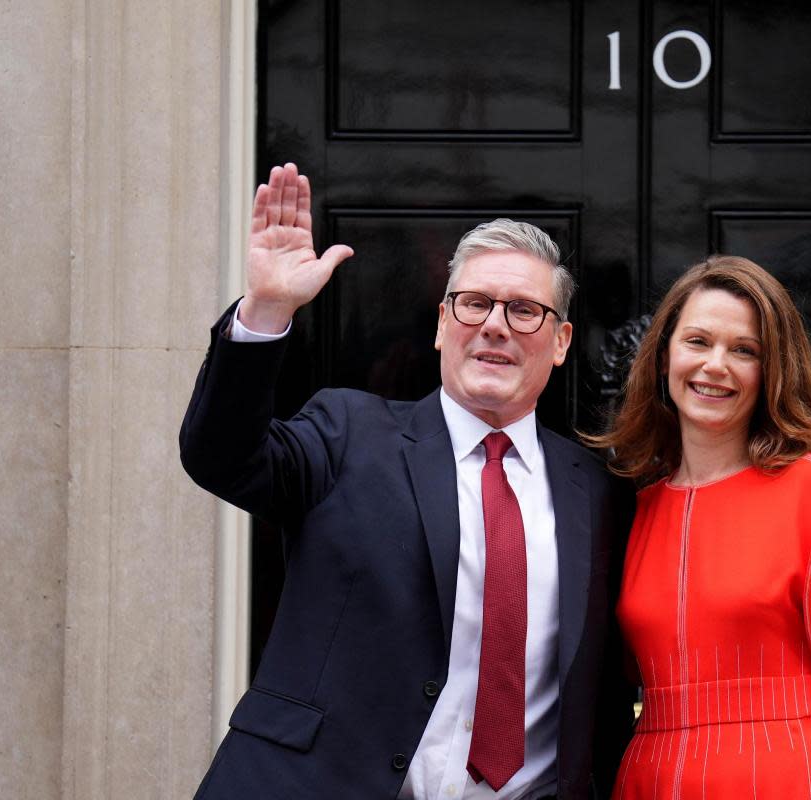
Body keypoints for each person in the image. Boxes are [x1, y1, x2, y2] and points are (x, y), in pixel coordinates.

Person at [180, 163, 633, 799]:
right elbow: (221, 457)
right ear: (444, 323)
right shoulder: (348, 432)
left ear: (560, 342)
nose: (495, 325)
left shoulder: (599, 491)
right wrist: (268, 308)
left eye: (525, 310)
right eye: (474, 303)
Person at [587, 256, 811, 799]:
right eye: (698, 341)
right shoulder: (634, 508)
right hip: (650, 777)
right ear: (663, 357)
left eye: (743, 350)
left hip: (782, 774)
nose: (715, 365)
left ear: (770, 368)